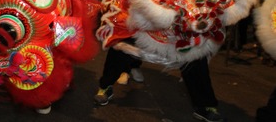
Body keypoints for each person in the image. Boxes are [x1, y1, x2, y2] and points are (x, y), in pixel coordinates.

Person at [95, 48, 224, 122]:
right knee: (123, 41)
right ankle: (106, 85)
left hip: (178, 12)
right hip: (145, 9)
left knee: (194, 51)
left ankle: (205, 105)